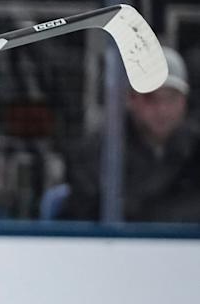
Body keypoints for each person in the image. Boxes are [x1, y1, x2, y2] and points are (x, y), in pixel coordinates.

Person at [59, 47, 200, 222]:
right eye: (151, 98)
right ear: (131, 99)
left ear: (184, 101)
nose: (162, 110)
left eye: (171, 98)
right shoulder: (98, 153)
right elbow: (86, 214)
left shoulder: (194, 150)